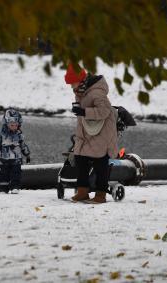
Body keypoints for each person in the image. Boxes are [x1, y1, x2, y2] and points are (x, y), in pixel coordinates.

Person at [65, 63, 118, 204]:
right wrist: (79, 110)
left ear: (80, 80)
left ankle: (100, 194)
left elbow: (105, 111)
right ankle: (82, 192)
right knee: (80, 159)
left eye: (72, 83)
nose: (71, 86)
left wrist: (84, 112)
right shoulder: (80, 91)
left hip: (102, 132)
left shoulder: (96, 92)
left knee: (100, 163)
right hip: (87, 131)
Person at [0, 108, 31, 194]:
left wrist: (27, 154)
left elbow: (23, 145)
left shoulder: (19, 134)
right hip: (3, 158)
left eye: (16, 125)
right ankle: (3, 188)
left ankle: (15, 187)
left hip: (16, 159)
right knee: (4, 174)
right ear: (6, 123)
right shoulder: (0, 133)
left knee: (16, 173)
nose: (14, 127)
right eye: (12, 125)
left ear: (19, 124)